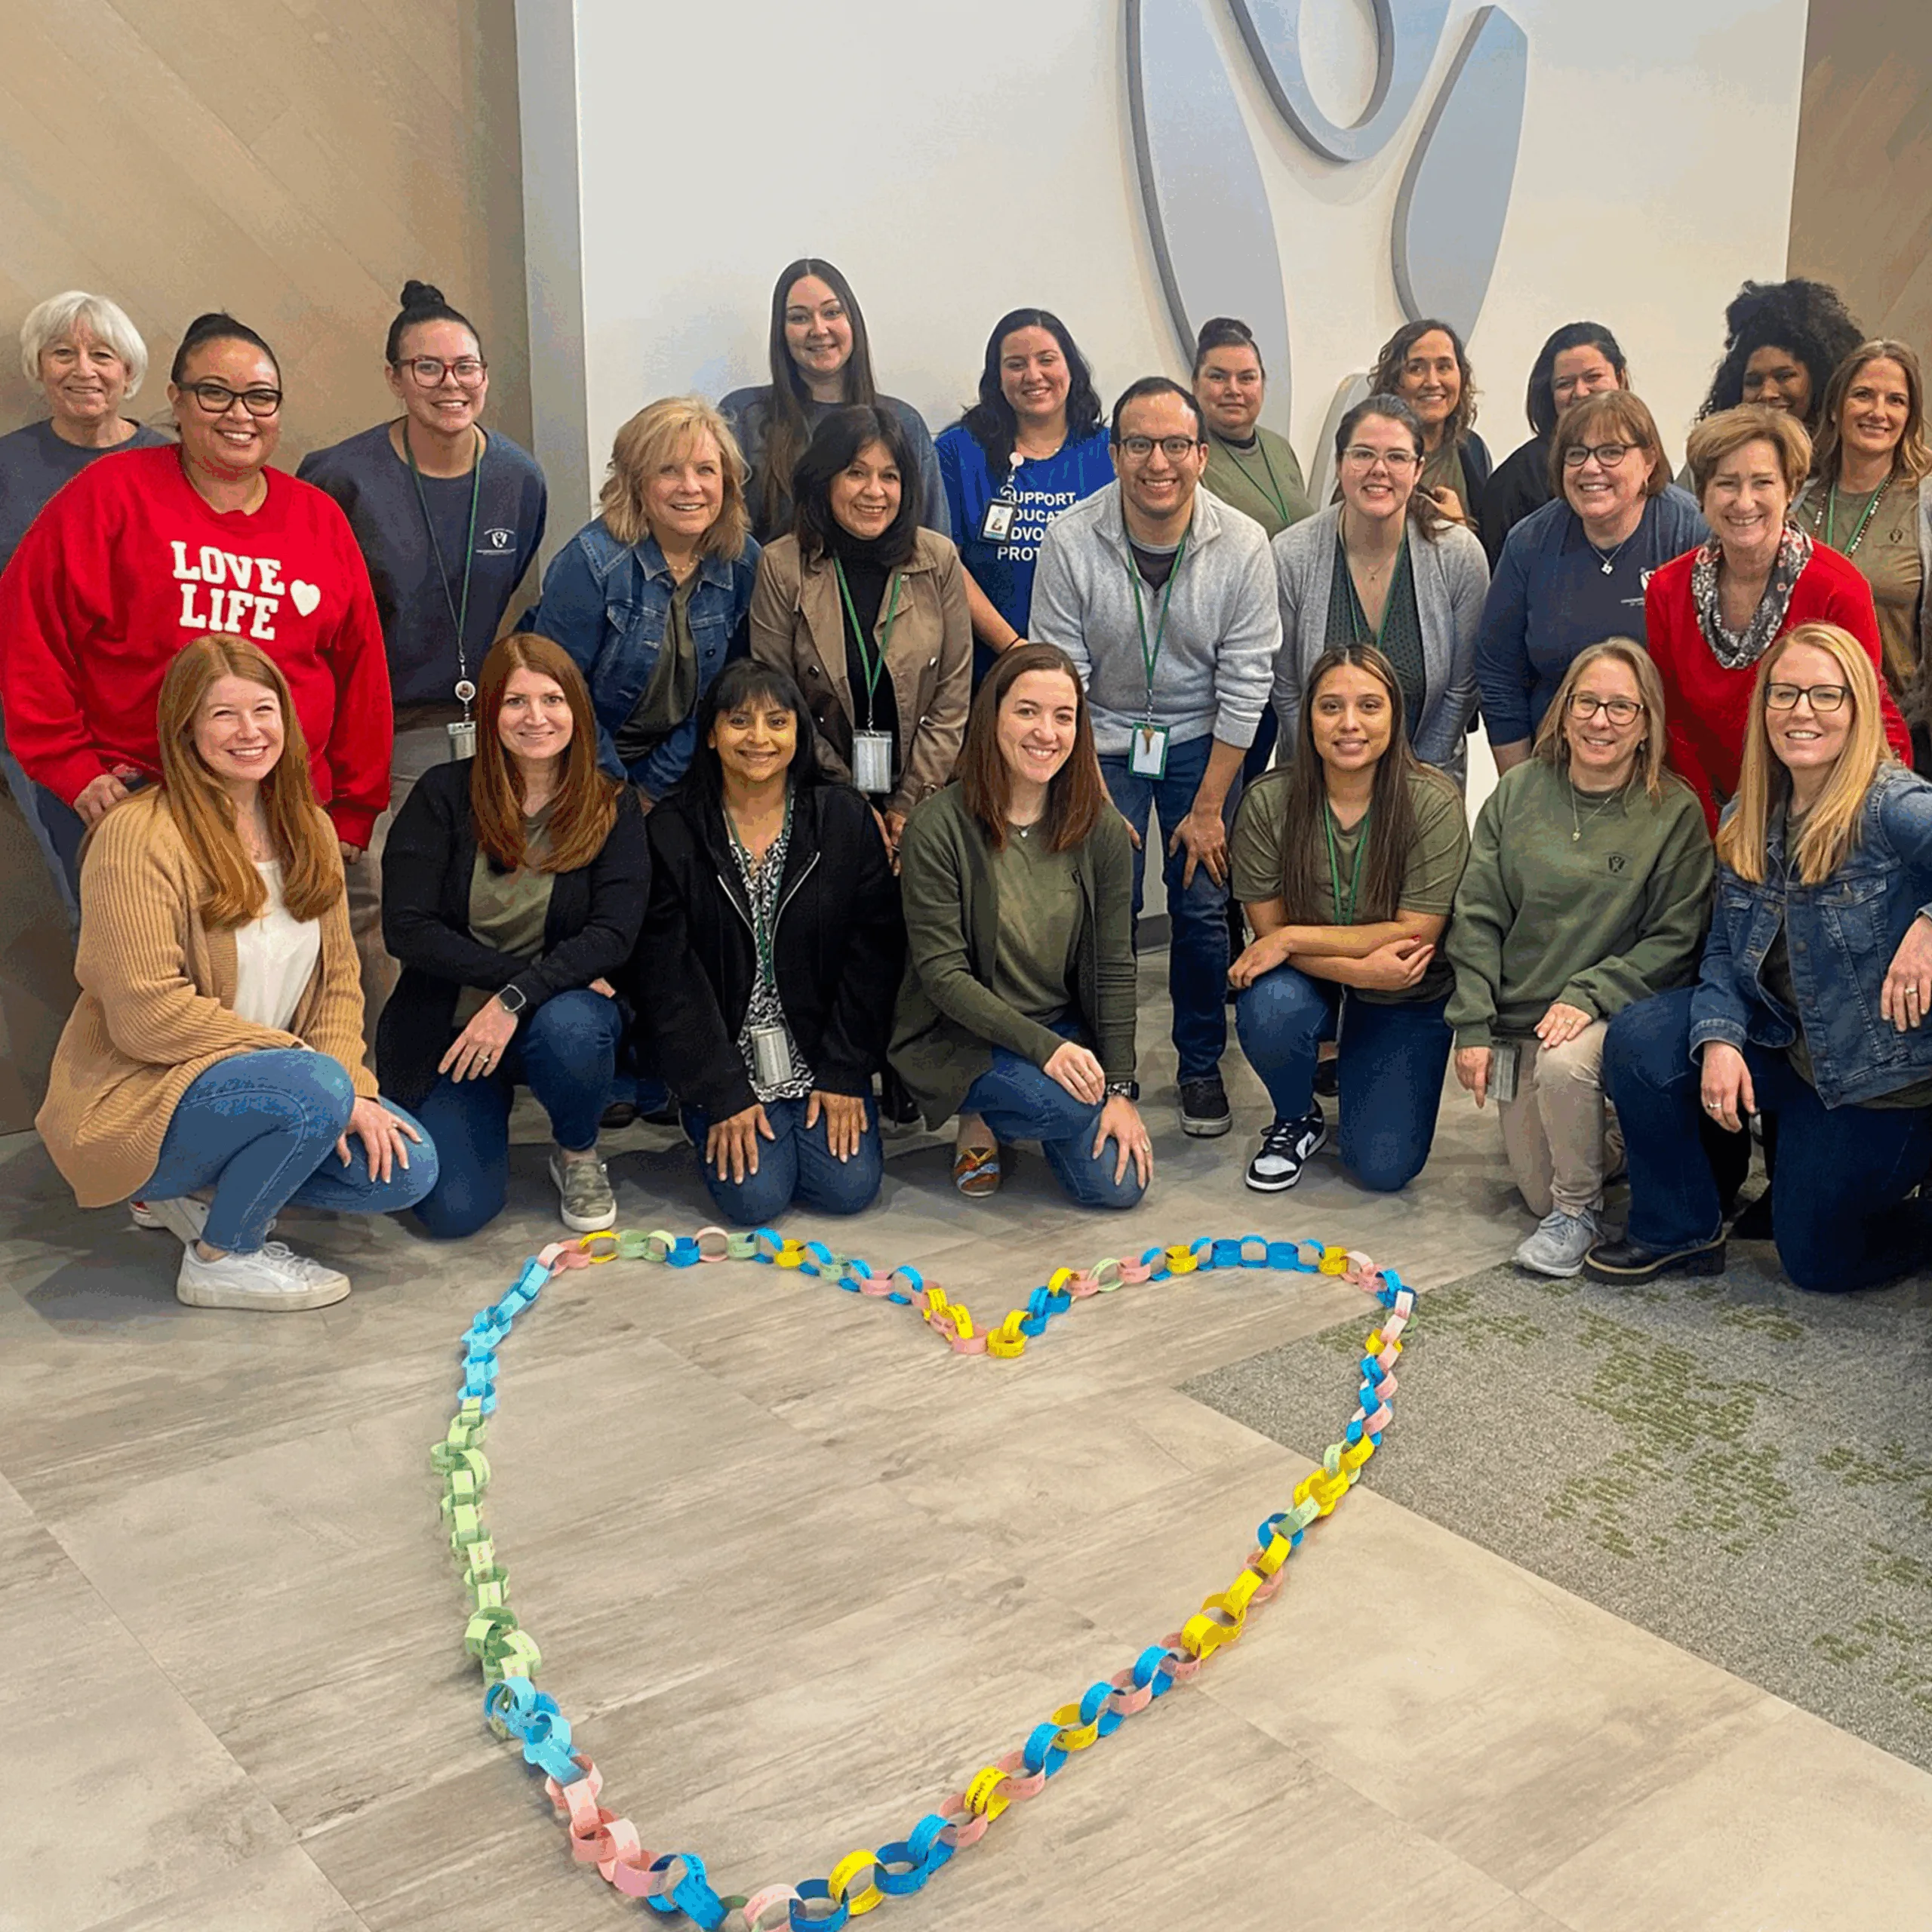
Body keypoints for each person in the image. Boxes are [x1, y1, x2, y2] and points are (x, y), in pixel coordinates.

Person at [35, 636, 434, 1310]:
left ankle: (190, 1191)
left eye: (264, 709)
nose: (249, 732)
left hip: (288, 1083)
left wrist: (354, 1092)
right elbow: (146, 1013)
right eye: (222, 715)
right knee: (312, 1088)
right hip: (149, 1094)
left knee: (405, 1169)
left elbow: (340, 987)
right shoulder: (138, 835)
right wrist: (311, 1071)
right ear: (185, 729)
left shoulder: (308, 827)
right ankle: (224, 1255)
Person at [0, 311, 391, 910]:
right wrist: (72, 767)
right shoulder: (109, 495)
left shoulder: (317, 517)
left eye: (261, 398)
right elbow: (26, 633)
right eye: (216, 393)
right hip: (143, 805)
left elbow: (360, 670)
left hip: (287, 809)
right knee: (153, 987)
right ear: (176, 402)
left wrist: (354, 810)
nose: (240, 414)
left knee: (294, 987)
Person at [1589, 623, 1932, 1291]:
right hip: (1789, 1048)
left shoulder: (1895, 806)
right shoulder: (1750, 813)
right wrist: (1718, 1039)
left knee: (1815, 1263)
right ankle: (1678, 1230)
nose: (1802, 711)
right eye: (1785, 694)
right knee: (1642, 1041)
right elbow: (1723, 951)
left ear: (1858, 709)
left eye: (1825, 695)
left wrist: (1927, 924)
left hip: (1876, 1081)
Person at [1030, 377, 1280, 1138]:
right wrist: (1088, 791)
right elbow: (1059, 673)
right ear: (1113, 454)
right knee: (1101, 900)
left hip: (1203, 739)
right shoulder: (1071, 539)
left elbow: (1247, 682)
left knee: (1202, 906)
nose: (1157, 462)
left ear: (1202, 455)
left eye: (1176, 444)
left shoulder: (1242, 543)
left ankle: (1200, 1066)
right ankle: (1109, 1064)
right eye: (1139, 444)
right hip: (1098, 738)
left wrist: (1209, 808)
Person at [299, 281, 549, 1023]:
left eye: (465, 367)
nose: (451, 385)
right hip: (374, 727)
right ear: (395, 378)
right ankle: (383, 1072)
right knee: (374, 900)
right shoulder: (340, 476)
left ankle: (474, 1071)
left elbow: (504, 588)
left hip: (476, 723)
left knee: (480, 893)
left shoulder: (517, 478)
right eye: (428, 368)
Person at [1447, 642, 1712, 1276]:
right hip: (1519, 1024)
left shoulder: (1673, 811)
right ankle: (1600, 1148)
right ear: (1563, 714)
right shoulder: (1517, 795)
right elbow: (1478, 913)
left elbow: (1677, 938)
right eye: (1587, 703)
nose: (1601, 721)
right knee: (1532, 1186)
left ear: (1647, 723)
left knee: (1565, 1070)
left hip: (1607, 1013)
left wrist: (1590, 993)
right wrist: (1473, 1026)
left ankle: (1578, 1212)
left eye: (1622, 708)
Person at [378, 633, 645, 1238]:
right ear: (489, 710)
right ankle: (480, 1110)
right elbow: (407, 928)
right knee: (452, 1212)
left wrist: (521, 1001)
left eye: (552, 699)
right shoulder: (442, 795)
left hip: (559, 1020)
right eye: (516, 702)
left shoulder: (611, 806)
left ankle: (577, 1151)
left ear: (576, 708)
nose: (536, 719)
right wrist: (515, 988)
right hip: (452, 1031)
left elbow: (614, 934)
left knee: (574, 1027)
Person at [635, 659, 903, 1223]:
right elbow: (668, 979)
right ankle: (701, 1114)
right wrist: (720, 1090)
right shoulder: (672, 831)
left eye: (777, 722)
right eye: (739, 722)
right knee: (755, 1199)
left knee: (846, 1189)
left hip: (818, 1051)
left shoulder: (842, 819)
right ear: (710, 734)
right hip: (725, 1058)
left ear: (799, 734)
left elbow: (873, 955)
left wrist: (844, 1071)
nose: (759, 738)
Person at [892, 643, 1151, 1205]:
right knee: (1064, 1103)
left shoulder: (1100, 828)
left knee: (1120, 1188)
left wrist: (1122, 1088)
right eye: (1027, 711)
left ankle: (1038, 1102)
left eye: (1064, 717)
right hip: (966, 1035)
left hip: (1062, 1027)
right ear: (994, 717)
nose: (1046, 733)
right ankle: (980, 1112)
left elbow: (1114, 963)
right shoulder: (938, 826)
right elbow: (942, 976)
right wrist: (1048, 1055)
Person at [1228, 643, 1469, 1195]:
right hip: (1319, 980)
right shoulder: (1268, 801)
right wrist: (1357, 971)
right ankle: (1296, 1116)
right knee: (1269, 1004)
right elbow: (1268, 939)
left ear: (1395, 715)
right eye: (1331, 707)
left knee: (1383, 1168)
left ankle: (1362, 1062)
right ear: (1306, 715)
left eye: (1369, 706)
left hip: (1406, 986)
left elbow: (1416, 935)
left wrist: (1291, 938)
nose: (1349, 724)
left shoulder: (1433, 802)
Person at [1646, 404, 1908, 829]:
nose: (1743, 502)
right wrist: (1718, 831)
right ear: (1703, 494)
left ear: (1791, 489)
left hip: (1824, 811)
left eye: (1763, 482)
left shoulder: (1838, 587)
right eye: (1726, 483)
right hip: (1708, 814)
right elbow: (1675, 726)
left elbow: (1865, 718)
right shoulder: (1667, 590)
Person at [0, 291, 171, 923]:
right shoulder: (7, 469)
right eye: (62, 353)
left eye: (103, 355)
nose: (83, 369)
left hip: (163, 730)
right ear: (38, 367)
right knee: (97, 909)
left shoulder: (171, 465)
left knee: (179, 905)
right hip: (41, 730)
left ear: (129, 371)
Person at [749, 405, 971, 856]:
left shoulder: (939, 559)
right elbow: (778, 700)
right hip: (819, 792)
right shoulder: (781, 565)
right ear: (824, 478)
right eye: (856, 473)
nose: (875, 492)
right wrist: (851, 803)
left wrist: (910, 807)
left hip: (928, 795)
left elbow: (952, 697)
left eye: (890, 476)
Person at [525, 395, 758, 808]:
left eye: (706, 470)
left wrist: (654, 787)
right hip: (581, 764)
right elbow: (557, 694)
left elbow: (725, 694)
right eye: (669, 470)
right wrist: (618, 791)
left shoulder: (742, 562)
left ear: (728, 481)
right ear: (635, 483)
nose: (691, 487)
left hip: (687, 764)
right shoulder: (591, 563)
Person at [1478, 391, 1706, 771]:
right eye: (1576, 454)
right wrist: (1520, 787)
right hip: (1556, 767)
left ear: (1649, 460)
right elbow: (1497, 668)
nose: (1590, 468)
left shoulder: (1689, 535)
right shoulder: (1530, 542)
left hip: (1669, 772)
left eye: (1611, 452)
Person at [1271, 394, 1487, 783]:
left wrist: (1419, 782)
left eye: (1397, 457)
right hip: (1314, 780)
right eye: (1363, 454)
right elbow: (1286, 687)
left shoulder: (1459, 556)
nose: (1379, 470)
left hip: (1426, 778)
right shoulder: (1291, 555)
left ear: (1418, 469)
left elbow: (1462, 688)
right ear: (1340, 464)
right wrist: (1325, 771)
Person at [935, 307, 1114, 687]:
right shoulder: (958, 451)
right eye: (1016, 364)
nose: (1033, 376)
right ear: (997, 378)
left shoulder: (1109, 451)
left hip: (1094, 674)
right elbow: (944, 563)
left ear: (1071, 367)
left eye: (1046, 360)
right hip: (987, 669)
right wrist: (1016, 650)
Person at [720, 258, 948, 544]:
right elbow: (721, 535)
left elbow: (934, 542)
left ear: (852, 321)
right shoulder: (742, 417)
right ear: (781, 331)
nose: (818, 329)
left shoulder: (903, 423)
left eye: (832, 312)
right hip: (769, 587)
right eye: (799, 317)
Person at [1192, 314, 1315, 782]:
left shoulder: (1279, 448)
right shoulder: (1190, 456)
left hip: (1288, 656)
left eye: (1247, 377)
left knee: (1270, 788)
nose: (1233, 389)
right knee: (1224, 794)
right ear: (1196, 384)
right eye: (1218, 377)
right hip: (1229, 659)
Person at [1789, 340, 1932, 715]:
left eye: (1896, 401)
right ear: (1836, 408)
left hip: (1897, 729)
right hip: (1798, 717)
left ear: (1910, 416)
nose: (1878, 412)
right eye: (1863, 395)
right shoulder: (1795, 499)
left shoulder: (1925, 502)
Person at [1478, 321, 1629, 566]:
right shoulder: (1515, 481)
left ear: (1620, 379)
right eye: (1565, 384)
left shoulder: (1644, 456)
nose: (1580, 392)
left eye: (1593, 377)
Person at [1367, 318, 1491, 541]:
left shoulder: (1472, 449)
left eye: (1444, 367)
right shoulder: (1372, 459)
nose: (1433, 381)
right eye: (1416, 368)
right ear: (1394, 382)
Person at [1690, 278, 1865, 435]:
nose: (1767, 393)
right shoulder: (1712, 458)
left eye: (1784, 376)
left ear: (1821, 381)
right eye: (1753, 381)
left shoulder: (1848, 463)